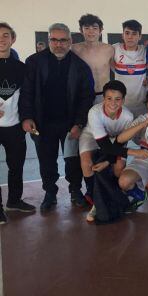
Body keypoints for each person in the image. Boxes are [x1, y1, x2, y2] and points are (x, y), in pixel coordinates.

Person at [19, 23, 95, 211]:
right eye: (54, 40)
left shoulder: (80, 66)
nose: (58, 44)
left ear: (70, 41)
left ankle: (75, 191)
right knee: (46, 160)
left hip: (69, 125)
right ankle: (50, 193)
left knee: (72, 161)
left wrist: (78, 123)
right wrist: (27, 117)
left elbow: (86, 98)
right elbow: (26, 92)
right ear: (49, 40)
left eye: (62, 40)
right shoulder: (34, 62)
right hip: (42, 123)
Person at [81, 80, 148, 222]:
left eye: (118, 99)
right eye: (109, 99)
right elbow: (105, 145)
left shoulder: (128, 116)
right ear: (103, 99)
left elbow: (119, 143)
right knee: (87, 163)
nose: (113, 103)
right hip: (92, 136)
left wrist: (108, 161)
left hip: (116, 140)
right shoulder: (94, 112)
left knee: (118, 168)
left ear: (123, 100)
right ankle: (95, 200)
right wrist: (134, 152)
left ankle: (116, 195)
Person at [0, 23, 35, 224]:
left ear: (13, 39)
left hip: (14, 127)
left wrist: (27, 118)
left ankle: (14, 200)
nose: (1, 39)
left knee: (16, 166)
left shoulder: (22, 68)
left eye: (6, 35)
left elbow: (27, 96)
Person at [72, 14, 114, 104]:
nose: (91, 32)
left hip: (104, 95)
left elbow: (118, 69)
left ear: (101, 30)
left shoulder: (109, 49)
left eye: (95, 28)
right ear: (81, 30)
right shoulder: (74, 50)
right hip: (82, 95)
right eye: (87, 28)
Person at [113, 19, 148, 117]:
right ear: (122, 35)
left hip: (141, 105)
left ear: (140, 36)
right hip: (121, 105)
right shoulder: (115, 49)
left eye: (134, 34)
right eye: (127, 33)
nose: (130, 37)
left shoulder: (145, 50)